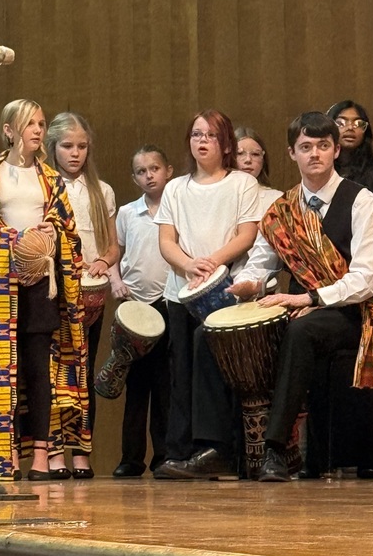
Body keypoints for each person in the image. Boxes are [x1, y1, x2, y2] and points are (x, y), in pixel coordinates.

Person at [167, 111, 373, 482]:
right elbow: (261, 263)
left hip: (350, 313)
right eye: (305, 147)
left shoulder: (362, 201)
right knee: (209, 333)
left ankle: (275, 450)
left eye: (322, 146)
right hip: (300, 310)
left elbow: (365, 279)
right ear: (291, 154)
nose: (314, 154)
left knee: (301, 332)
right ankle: (217, 449)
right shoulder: (283, 210)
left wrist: (309, 299)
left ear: (335, 151)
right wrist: (249, 285)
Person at [0, 99, 88, 481]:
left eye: (40, 123)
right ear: (9, 130)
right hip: (1, 289)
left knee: (38, 370)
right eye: (28, 123)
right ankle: (8, 454)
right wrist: (14, 240)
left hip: (40, 287)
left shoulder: (50, 178)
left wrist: (52, 234)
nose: (37, 129)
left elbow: (69, 230)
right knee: (4, 372)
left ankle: (40, 454)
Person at [153, 110, 260, 478]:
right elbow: (166, 239)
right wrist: (187, 265)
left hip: (224, 291)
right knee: (181, 374)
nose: (202, 141)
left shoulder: (242, 184)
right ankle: (178, 451)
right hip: (181, 292)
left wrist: (211, 264)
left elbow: (246, 235)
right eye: (196, 134)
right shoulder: (175, 188)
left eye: (211, 136)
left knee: (215, 372)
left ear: (226, 143)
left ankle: (212, 450)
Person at [46, 112, 120, 478]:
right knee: (56, 374)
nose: (75, 154)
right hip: (54, 292)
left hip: (90, 294)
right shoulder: (45, 186)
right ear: (52, 147)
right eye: (67, 146)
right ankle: (54, 452)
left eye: (82, 146)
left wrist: (104, 261)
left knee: (84, 371)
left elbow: (111, 245)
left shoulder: (101, 190)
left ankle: (82, 453)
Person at [108, 145, 174, 477]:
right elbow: (114, 253)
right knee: (136, 387)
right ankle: (130, 458)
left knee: (164, 386)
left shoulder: (178, 210)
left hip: (167, 303)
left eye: (154, 169)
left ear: (169, 171)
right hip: (134, 306)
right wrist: (115, 281)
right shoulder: (126, 213)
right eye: (141, 171)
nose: (149, 175)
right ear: (134, 177)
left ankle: (163, 455)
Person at [325, 100, 373, 245]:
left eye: (358, 123)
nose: (350, 128)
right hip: (326, 257)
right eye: (341, 122)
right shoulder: (321, 173)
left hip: (372, 254)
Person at [235, 126, 284, 214]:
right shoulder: (218, 196)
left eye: (255, 154)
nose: (248, 160)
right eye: (240, 153)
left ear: (263, 160)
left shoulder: (277, 200)